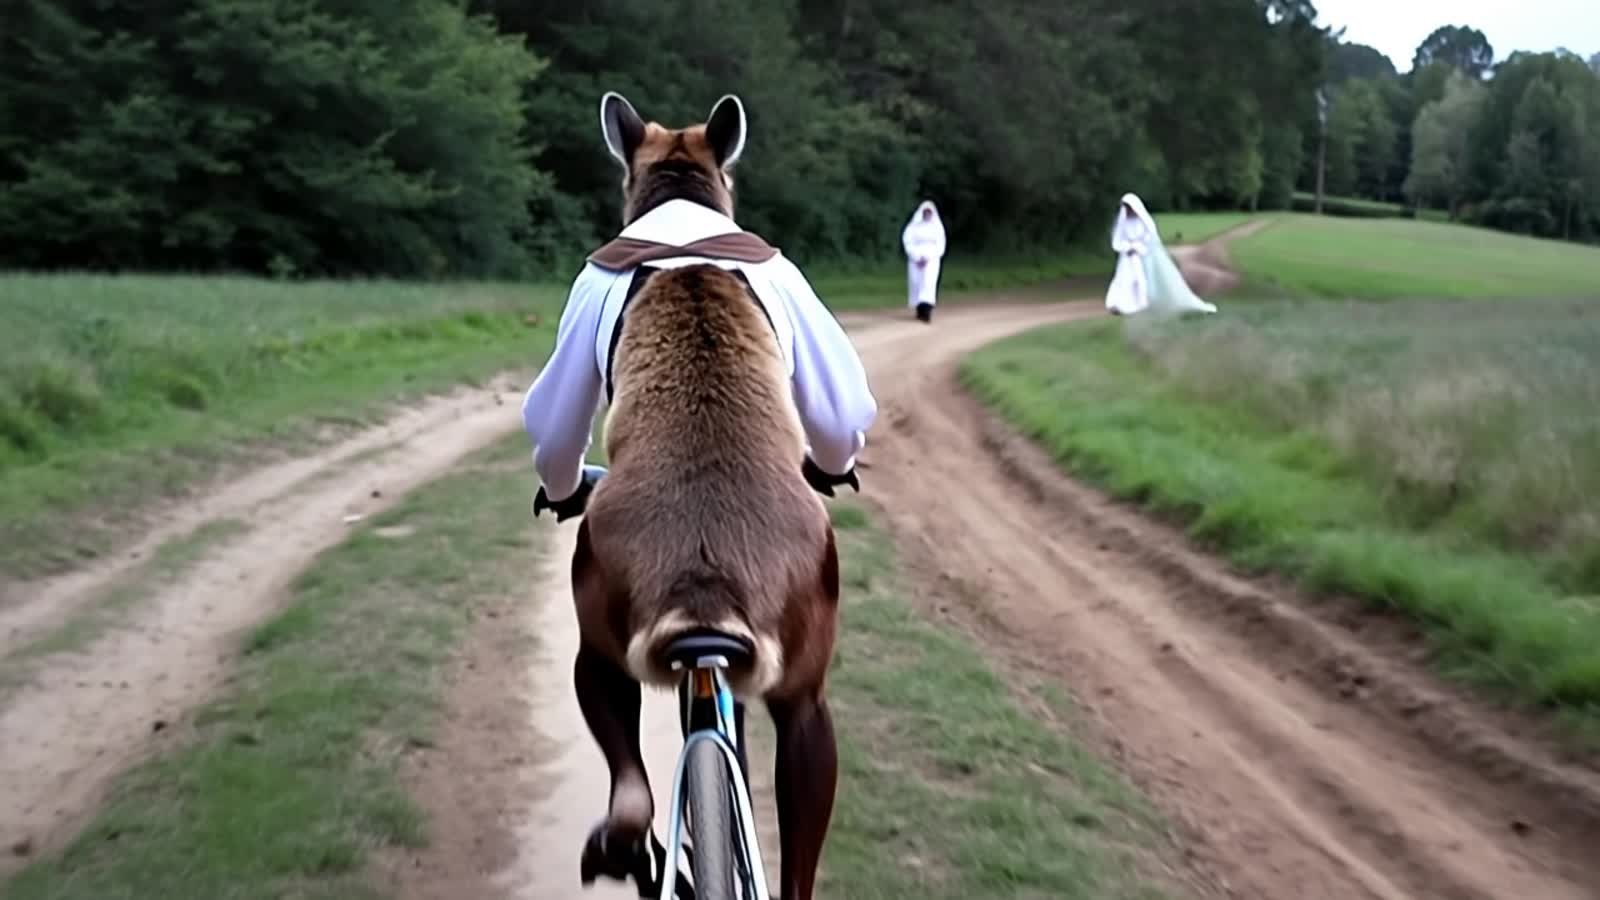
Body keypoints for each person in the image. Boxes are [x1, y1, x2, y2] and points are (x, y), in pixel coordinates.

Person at [521, 90, 874, 900]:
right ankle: (798, 894)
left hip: (641, 552)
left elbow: (552, 429)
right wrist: (826, 464)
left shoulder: (605, 277)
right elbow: (846, 414)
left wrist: (567, 488)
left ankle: (627, 784)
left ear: (630, 176)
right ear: (724, 171)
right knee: (803, 707)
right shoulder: (770, 270)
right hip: (772, 556)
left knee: (596, 648)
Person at [1105, 192, 1217, 316]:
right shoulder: (1123, 222)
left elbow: (1149, 237)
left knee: (1140, 279)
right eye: (1126, 207)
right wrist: (1128, 247)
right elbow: (1118, 240)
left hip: (1142, 256)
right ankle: (1119, 304)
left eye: (1129, 207)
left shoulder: (1144, 221)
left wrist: (1137, 247)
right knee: (1125, 279)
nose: (1128, 210)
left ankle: (1141, 303)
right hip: (1127, 257)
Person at [901, 200, 946, 323]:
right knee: (916, 283)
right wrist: (916, 256)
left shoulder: (937, 227)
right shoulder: (913, 227)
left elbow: (940, 245)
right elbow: (907, 241)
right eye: (925, 212)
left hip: (931, 260)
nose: (927, 214)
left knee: (928, 284)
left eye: (929, 212)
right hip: (915, 258)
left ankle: (927, 312)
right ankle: (919, 310)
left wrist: (929, 257)